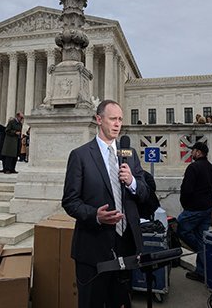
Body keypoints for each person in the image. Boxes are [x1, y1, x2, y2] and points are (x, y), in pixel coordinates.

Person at [62, 100, 148, 308]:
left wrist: (133, 182)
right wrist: (95, 216)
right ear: (99, 120)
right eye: (113, 119)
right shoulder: (80, 155)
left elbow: (145, 194)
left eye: (120, 119)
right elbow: (70, 201)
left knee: (119, 302)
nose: (118, 124)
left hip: (126, 246)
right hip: (93, 248)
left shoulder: (130, 154)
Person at [177, 142, 212, 283]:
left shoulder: (193, 167)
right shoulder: (211, 168)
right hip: (207, 208)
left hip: (194, 209)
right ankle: (202, 272)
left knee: (180, 228)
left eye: (193, 150)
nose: (191, 153)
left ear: (198, 153)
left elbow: (187, 189)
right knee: (202, 237)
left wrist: (185, 204)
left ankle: (201, 251)